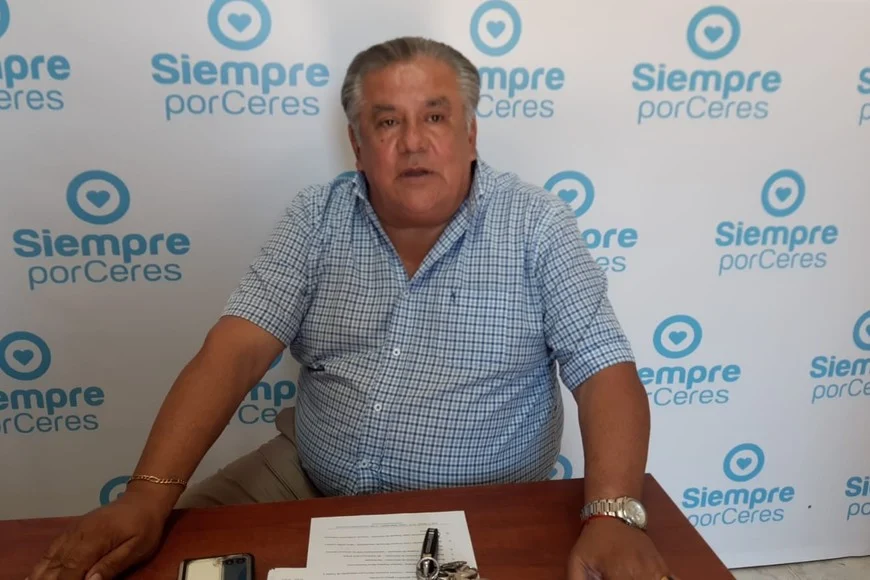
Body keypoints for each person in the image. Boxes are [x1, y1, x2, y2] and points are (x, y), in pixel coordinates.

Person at [28, 36, 675, 580]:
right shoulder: (316, 216)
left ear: (471, 134)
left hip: (484, 504)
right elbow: (235, 352)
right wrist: (146, 495)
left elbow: (603, 371)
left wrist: (613, 515)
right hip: (303, 476)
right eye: (388, 122)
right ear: (357, 145)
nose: (413, 142)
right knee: (156, 562)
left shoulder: (536, 224)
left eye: (435, 117)